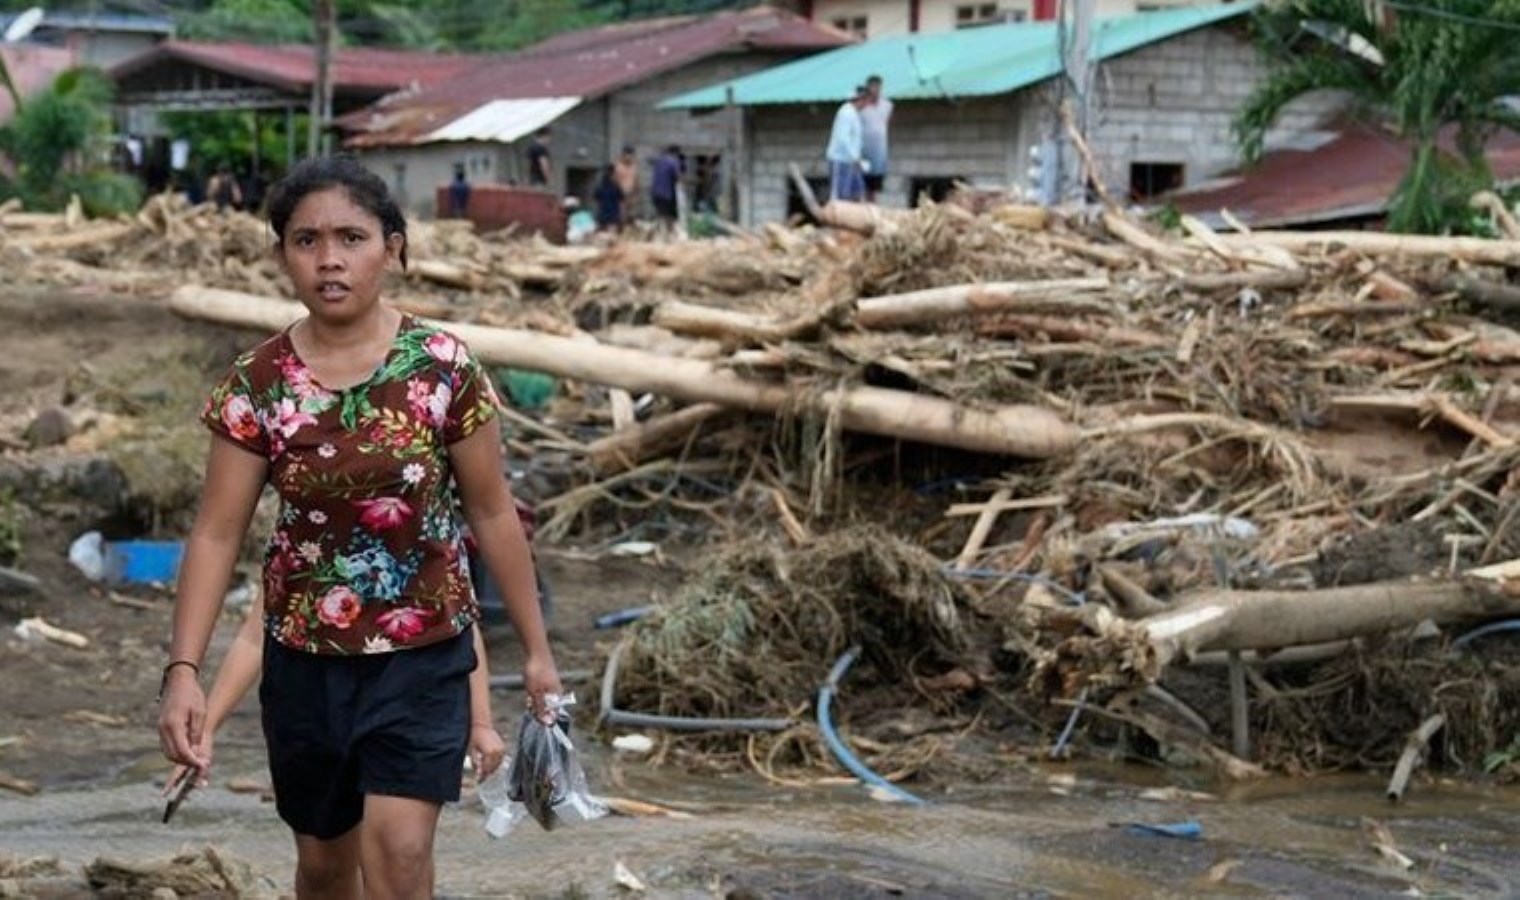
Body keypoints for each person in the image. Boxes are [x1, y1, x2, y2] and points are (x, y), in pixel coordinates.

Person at [157, 155, 561, 899]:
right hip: (305, 657)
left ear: (394, 249)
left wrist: (536, 653)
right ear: (281, 256)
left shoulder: (442, 368)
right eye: (306, 241)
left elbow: (492, 509)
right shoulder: (258, 384)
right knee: (323, 865)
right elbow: (216, 534)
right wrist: (183, 672)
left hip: (424, 655)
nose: (330, 258)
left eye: (352, 237)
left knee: (401, 856)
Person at [825, 87, 869, 203]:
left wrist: (857, 158)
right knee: (840, 195)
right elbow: (842, 138)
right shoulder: (846, 112)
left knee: (857, 192)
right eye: (865, 101)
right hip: (840, 160)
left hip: (851, 161)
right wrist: (855, 157)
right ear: (860, 99)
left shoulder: (855, 114)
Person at [860, 75, 893, 203]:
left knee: (875, 187)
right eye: (872, 87)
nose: (875, 90)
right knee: (862, 184)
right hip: (863, 153)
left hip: (879, 153)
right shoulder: (861, 106)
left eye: (878, 87)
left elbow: (886, 124)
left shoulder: (887, 105)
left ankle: (873, 212)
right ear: (868, 88)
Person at [650, 145, 683, 226]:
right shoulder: (674, 161)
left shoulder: (660, 160)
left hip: (655, 192)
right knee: (667, 215)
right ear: (676, 153)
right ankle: (664, 233)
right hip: (665, 193)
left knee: (660, 213)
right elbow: (679, 177)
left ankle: (657, 231)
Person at [612, 145, 639, 223]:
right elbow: (614, 181)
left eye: (632, 155)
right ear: (623, 155)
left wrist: (635, 194)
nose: (630, 158)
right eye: (628, 155)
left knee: (630, 214)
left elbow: (636, 180)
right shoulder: (617, 166)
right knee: (621, 215)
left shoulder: (634, 166)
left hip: (631, 194)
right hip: (620, 195)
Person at [594, 164, 623, 231]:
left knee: (605, 234)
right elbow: (621, 202)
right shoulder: (615, 187)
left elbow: (597, 201)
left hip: (606, 215)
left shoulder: (601, 186)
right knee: (610, 234)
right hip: (611, 215)